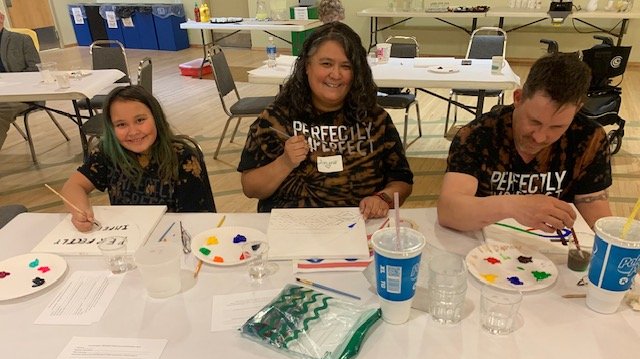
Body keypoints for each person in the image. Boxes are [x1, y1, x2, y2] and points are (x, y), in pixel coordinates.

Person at [238, 22, 413, 220]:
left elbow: (403, 181)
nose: (336, 75)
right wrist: (285, 162)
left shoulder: (375, 119)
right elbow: (250, 188)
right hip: (290, 228)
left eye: (346, 66)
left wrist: (383, 198)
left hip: (360, 226)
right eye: (326, 64)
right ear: (307, 66)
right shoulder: (275, 119)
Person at [437, 52, 612, 232]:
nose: (540, 137)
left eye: (557, 127)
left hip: (554, 243)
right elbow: (449, 211)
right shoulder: (477, 134)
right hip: (485, 240)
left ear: (577, 110)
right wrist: (513, 206)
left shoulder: (589, 138)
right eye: (534, 121)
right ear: (518, 98)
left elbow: (597, 220)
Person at [62, 85, 215, 232]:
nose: (133, 131)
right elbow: (73, 186)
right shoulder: (107, 153)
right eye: (121, 124)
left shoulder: (183, 158)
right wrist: (80, 211)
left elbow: (198, 219)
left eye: (140, 120)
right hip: (129, 236)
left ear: (156, 118)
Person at [0, 10, 41, 150]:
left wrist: (10, 83)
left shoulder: (21, 40)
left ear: (1, 18)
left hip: (21, 95)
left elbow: (35, 70)